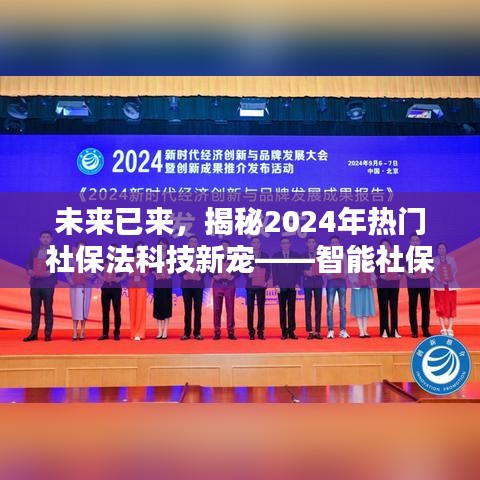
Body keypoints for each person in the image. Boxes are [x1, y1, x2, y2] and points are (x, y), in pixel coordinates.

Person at [24, 230, 57, 342]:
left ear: (51, 239)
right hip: (35, 283)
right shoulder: (34, 250)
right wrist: (29, 270)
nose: (45, 239)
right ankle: (34, 333)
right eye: (43, 237)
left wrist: (51, 271)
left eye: (48, 237)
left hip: (48, 283)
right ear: (40, 239)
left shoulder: (56, 251)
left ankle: (47, 334)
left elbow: (61, 263)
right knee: (35, 309)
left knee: (48, 309)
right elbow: (28, 263)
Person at [272, 236, 301, 340]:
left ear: (290, 244)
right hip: (281, 286)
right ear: (280, 245)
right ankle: (284, 331)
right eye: (283, 243)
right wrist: (276, 284)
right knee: (282, 309)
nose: (285, 245)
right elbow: (274, 272)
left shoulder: (296, 256)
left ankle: (291, 331)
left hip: (292, 286)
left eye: (287, 243)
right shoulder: (276, 256)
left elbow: (298, 271)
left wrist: (298, 283)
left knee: (292, 308)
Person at [211, 240, 240, 340]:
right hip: (218, 285)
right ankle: (217, 331)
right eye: (223, 246)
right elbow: (209, 269)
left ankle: (231, 331)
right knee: (217, 309)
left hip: (229, 285)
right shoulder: (215, 258)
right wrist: (214, 276)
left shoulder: (234, 258)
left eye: (227, 246)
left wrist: (234, 276)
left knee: (230, 308)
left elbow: (239, 269)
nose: (225, 247)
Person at [65, 240, 93, 341]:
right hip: (75, 286)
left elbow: (94, 272)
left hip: (86, 286)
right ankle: (74, 331)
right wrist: (70, 279)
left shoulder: (90, 259)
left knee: (85, 308)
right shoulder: (71, 259)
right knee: (75, 308)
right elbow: (67, 271)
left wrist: (90, 275)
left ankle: (82, 330)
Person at [98, 244, 126, 341]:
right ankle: (105, 333)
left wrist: (120, 278)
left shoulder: (121, 261)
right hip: (105, 288)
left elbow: (126, 273)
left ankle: (116, 333)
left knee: (117, 311)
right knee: (105, 311)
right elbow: (97, 271)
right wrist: (101, 277)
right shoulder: (104, 261)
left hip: (116, 288)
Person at [375, 238, 402, 338]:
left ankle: (394, 330)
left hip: (394, 284)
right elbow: (375, 271)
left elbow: (401, 269)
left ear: (390, 247)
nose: (385, 247)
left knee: (394, 307)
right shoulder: (377, 258)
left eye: (387, 245)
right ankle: (384, 330)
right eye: (383, 246)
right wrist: (380, 275)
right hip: (382, 284)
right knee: (383, 307)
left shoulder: (396, 257)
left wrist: (400, 274)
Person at [406, 233, 431, 338]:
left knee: (426, 307)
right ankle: (414, 330)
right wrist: (409, 275)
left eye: (417, 240)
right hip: (412, 283)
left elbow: (431, 266)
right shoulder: (406, 254)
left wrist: (430, 273)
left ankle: (425, 329)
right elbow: (402, 267)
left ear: (420, 242)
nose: (415, 242)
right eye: (413, 240)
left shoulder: (426, 253)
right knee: (412, 306)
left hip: (425, 283)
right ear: (409, 242)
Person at [179, 235, 204, 340]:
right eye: (191, 241)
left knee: (198, 309)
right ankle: (187, 332)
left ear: (198, 244)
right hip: (187, 285)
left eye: (195, 241)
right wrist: (182, 275)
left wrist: (201, 275)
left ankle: (197, 332)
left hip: (198, 285)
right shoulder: (183, 254)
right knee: (187, 309)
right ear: (188, 243)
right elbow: (177, 266)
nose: (193, 243)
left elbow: (206, 267)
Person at [245, 236, 270, 340]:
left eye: (258, 242)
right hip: (250, 286)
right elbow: (242, 268)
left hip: (261, 286)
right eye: (254, 242)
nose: (256, 244)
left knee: (261, 309)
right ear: (251, 244)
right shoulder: (246, 256)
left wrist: (265, 281)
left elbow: (268, 270)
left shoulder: (265, 255)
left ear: (260, 244)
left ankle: (260, 331)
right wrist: (248, 274)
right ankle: (251, 331)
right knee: (250, 309)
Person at [432, 243, 459, 337]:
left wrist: (450, 277)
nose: (441, 250)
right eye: (440, 248)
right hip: (439, 286)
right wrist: (438, 278)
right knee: (440, 307)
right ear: (437, 250)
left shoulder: (451, 259)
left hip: (450, 286)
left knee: (451, 306)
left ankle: (450, 328)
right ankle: (443, 328)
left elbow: (455, 270)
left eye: (443, 248)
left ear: (446, 249)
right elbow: (432, 272)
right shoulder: (434, 260)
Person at [325, 235, 349, 339]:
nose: (334, 244)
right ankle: (330, 330)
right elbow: (325, 268)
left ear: (339, 244)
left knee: (342, 307)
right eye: (333, 242)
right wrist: (330, 274)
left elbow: (346, 268)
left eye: (336, 242)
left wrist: (343, 274)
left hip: (342, 281)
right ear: (330, 244)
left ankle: (343, 330)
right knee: (330, 308)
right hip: (331, 282)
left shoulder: (343, 255)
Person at [302, 236, 323, 339]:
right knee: (308, 307)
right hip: (308, 282)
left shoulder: (321, 255)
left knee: (318, 307)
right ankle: (310, 331)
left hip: (318, 282)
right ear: (306, 244)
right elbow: (299, 269)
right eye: (309, 242)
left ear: (315, 243)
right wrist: (305, 272)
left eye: (313, 242)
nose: (311, 244)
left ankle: (317, 331)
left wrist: (320, 270)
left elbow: (325, 267)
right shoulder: (302, 256)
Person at [128, 241, 149, 341]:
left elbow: (146, 274)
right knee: (133, 308)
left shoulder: (146, 260)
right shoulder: (130, 259)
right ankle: (133, 332)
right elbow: (128, 273)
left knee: (140, 308)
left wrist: (140, 272)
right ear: (135, 249)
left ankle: (139, 333)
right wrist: (134, 272)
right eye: (138, 247)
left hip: (142, 285)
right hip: (132, 285)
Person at [152, 238, 173, 339]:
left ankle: (165, 330)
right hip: (158, 283)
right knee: (158, 305)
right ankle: (159, 330)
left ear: (167, 246)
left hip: (167, 283)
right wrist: (155, 273)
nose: (162, 246)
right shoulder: (154, 256)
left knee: (166, 305)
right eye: (160, 244)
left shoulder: (170, 256)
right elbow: (150, 268)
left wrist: (170, 273)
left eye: (164, 244)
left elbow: (175, 268)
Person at [349, 270, 376, 338]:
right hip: (357, 287)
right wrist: (354, 281)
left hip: (367, 287)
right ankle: (361, 331)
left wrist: (372, 280)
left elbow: (373, 273)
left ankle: (365, 330)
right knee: (359, 308)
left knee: (366, 308)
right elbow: (350, 273)